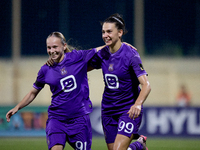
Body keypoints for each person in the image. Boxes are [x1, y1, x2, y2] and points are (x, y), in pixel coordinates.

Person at [6, 32, 104, 150]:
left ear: (64, 46)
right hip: (57, 119)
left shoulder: (77, 57)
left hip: (79, 119)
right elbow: (33, 92)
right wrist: (18, 107)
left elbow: (99, 50)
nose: (52, 51)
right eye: (49, 47)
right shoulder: (45, 70)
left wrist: (121, 45)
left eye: (55, 47)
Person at [89, 13, 151, 150]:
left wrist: (138, 104)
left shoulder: (131, 55)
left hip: (128, 110)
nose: (105, 35)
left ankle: (137, 146)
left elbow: (146, 85)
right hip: (108, 110)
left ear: (120, 32)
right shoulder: (103, 54)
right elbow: (81, 66)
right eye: (103, 32)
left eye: (109, 31)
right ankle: (139, 146)